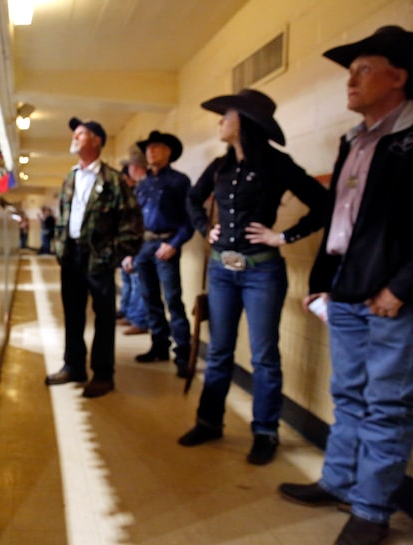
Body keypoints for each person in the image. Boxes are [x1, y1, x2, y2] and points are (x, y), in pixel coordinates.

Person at [277, 26, 413, 545]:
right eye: (350, 72)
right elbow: (339, 218)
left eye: (363, 70)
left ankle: (373, 509)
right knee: (348, 395)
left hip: (390, 299)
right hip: (347, 288)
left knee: (386, 405)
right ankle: (338, 482)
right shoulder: (353, 140)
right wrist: (321, 283)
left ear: (399, 78)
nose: (350, 81)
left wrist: (400, 286)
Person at [179, 89, 328, 465]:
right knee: (219, 352)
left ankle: (265, 432)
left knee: (263, 357)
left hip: (262, 270)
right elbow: (192, 200)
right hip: (222, 270)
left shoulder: (277, 164)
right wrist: (204, 229)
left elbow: (324, 204)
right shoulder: (219, 167)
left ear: (242, 120)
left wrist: (283, 237)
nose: (219, 122)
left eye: (225, 115)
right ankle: (209, 422)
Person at [45, 117, 142, 398]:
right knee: (73, 313)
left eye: (81, 134)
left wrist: (114, 253)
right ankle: (74, 365)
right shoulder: (70, 177)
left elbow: (131, 221)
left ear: (97, 141)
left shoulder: (113, 180)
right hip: (72, 255)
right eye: (75, 133)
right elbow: (65, 218)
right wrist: (61, 248)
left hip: (99, 257)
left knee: (103, 316)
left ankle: (103, 374)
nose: (75, 137)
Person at [125, 131, 193, 377]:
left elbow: (190, 220)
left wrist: (174, 244)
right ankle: (159, 345)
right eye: (149, 148)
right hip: (144, 247)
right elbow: (134, 221)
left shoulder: (179, 181)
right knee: (149, 298)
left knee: (173, 300)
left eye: (157, 147)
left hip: (166, 245)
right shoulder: (143, 185)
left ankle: (183, 353)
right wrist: (130, 251)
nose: (151, 152)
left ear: (169, 152)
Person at [118, 151, 150, 335]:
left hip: (143, 243)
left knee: (138, 281)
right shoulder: (139, 189)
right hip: (137, 243)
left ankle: (139, 319)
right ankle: (131, 314)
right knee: (132, 280)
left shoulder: (141, 190)